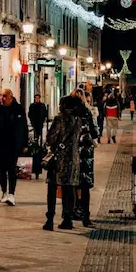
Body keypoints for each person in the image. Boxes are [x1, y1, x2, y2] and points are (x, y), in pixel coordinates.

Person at [44, 95, 82, 230]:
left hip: (59, 159)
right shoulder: (78, 119)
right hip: (74, 158)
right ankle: (67, 219)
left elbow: (50, 138)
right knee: (69, 189)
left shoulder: (60, 119)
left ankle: (50, 219)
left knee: (52, 188)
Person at [0, 89, 28, 205]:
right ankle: (4, 191)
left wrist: (25, 144)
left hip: (14, 143)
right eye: (0, 96)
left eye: (4, 96)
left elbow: (23, 126)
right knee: (1, 169)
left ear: (10, 97)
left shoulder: (18, 109)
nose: (2, 98)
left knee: (12, 169)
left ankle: (11, 193)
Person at [72, 88, 100, 226]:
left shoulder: (66, 113)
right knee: (84, 185)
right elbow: (95, 132)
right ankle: (85, 216)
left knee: (71, 183)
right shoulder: (87, 112)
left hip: (71, 153)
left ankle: (70, 212)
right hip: (85, 153)